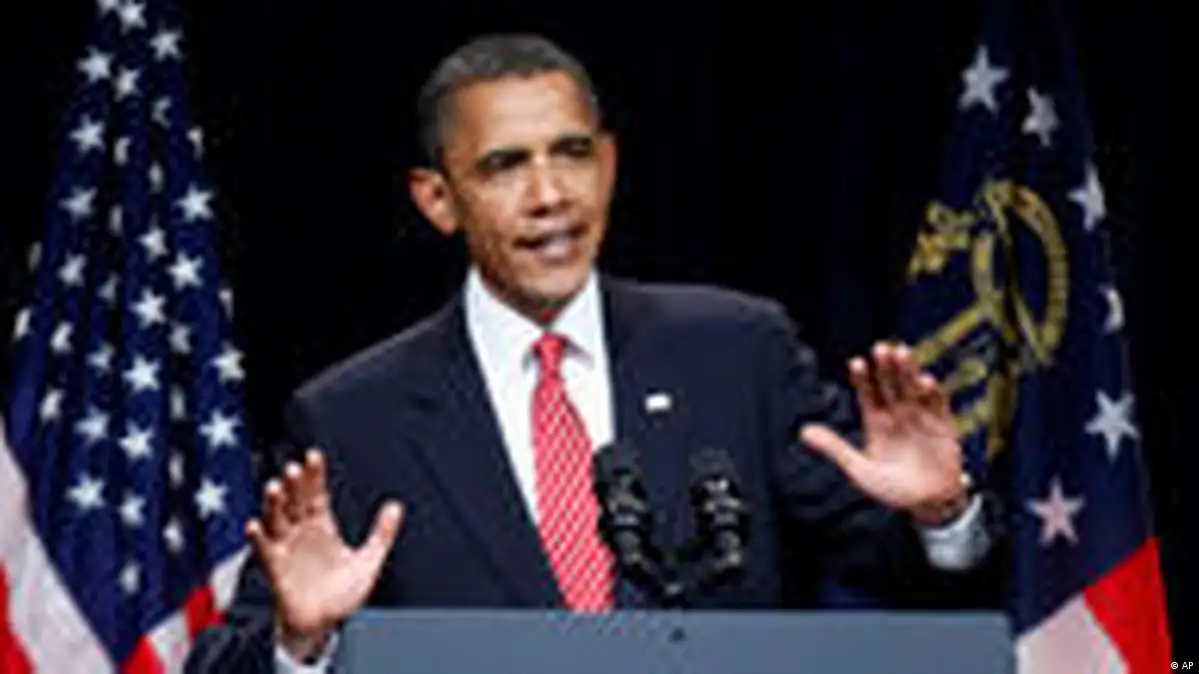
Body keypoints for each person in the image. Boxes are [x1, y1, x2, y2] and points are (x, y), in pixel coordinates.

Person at [185, 33, 999, 674]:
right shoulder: (353, 418)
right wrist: (302, 641)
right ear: (438, 200)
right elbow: (229, 658)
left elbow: (914, 590)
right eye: (504, 166)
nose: (550, 196)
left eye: (571, 153)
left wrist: (939, 516)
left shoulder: (736, 352)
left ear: (608, 163)